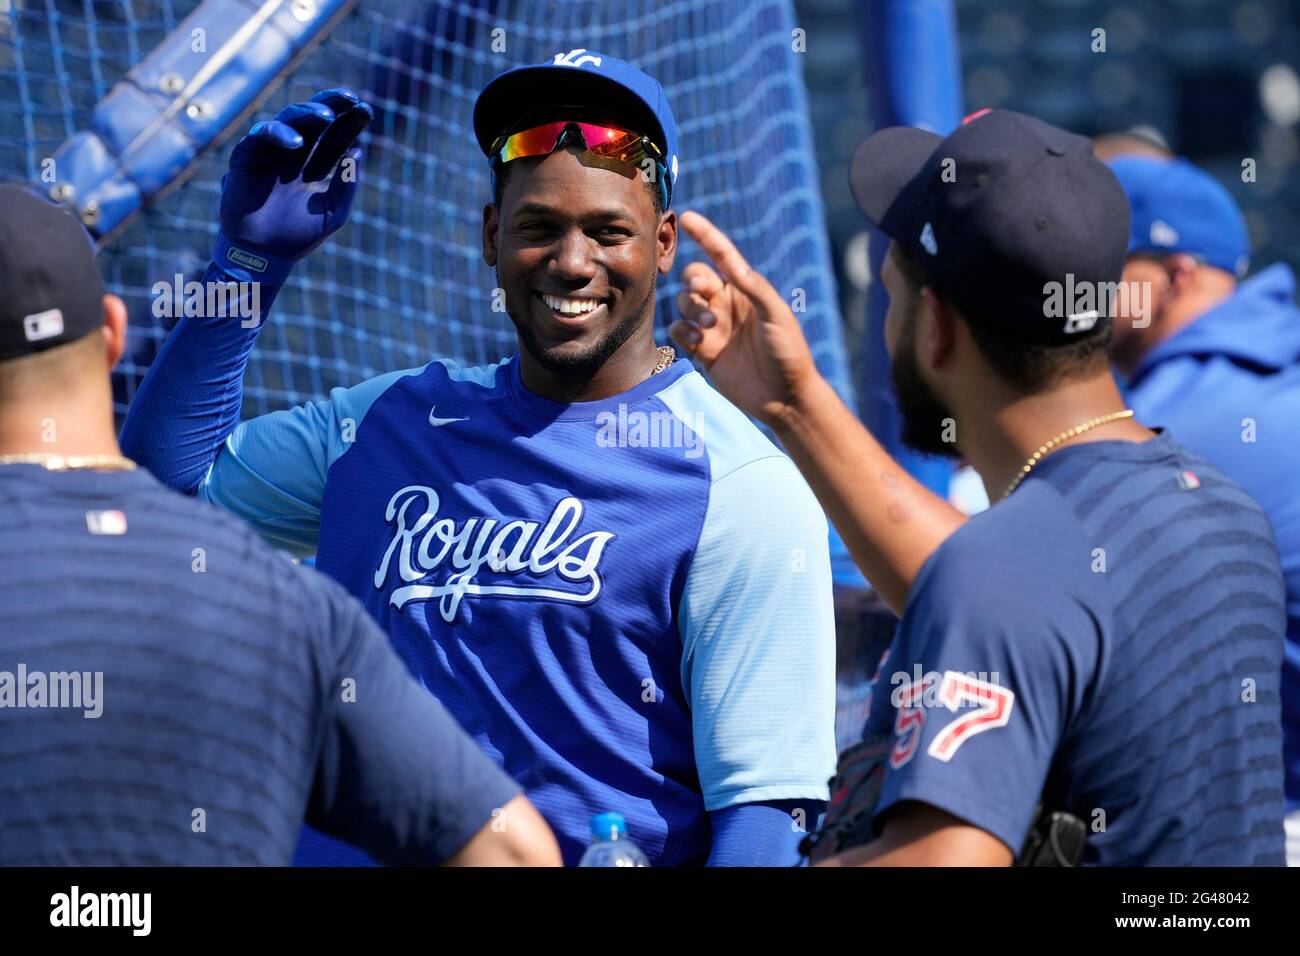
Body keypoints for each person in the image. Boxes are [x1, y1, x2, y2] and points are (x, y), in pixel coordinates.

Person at [119, 56, 836, 867]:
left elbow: (763, 824)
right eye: (538, 228)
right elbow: (163, 495)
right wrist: (247, 264)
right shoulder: (386, 423)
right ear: (491, 235)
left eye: (609, 231)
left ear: (663, 244)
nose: (572, 262)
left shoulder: (740, 487)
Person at [669, 109, 1287, 865]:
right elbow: (1025, 606)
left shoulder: (1009, 567)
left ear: (936, 327)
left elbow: (944, 863)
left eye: (893, 296)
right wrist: (791, 402)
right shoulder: (1216, 507)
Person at [0, 185, 560, 866]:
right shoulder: (290, 606)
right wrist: (245, 265)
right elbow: (515, 853)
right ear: (114, 333)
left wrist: (249, 265)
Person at [1104, 154, 1300, 865]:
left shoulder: (1187, 414)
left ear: (1177, 275)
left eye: (1106, 267)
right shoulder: (1271, 367)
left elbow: (991, 588)